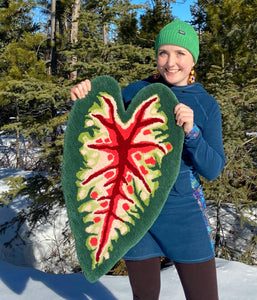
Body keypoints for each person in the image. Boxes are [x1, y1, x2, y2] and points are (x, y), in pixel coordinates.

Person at [70, 19, 225, 300]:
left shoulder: (204, 103)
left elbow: (213, 169)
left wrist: (192, 132)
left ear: (193, 60)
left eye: (180, 54)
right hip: (135, 208)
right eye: (163, 53)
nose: (170, 62)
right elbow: (101, 129)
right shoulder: (136, 92)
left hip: (183, 213)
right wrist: (83, 96)